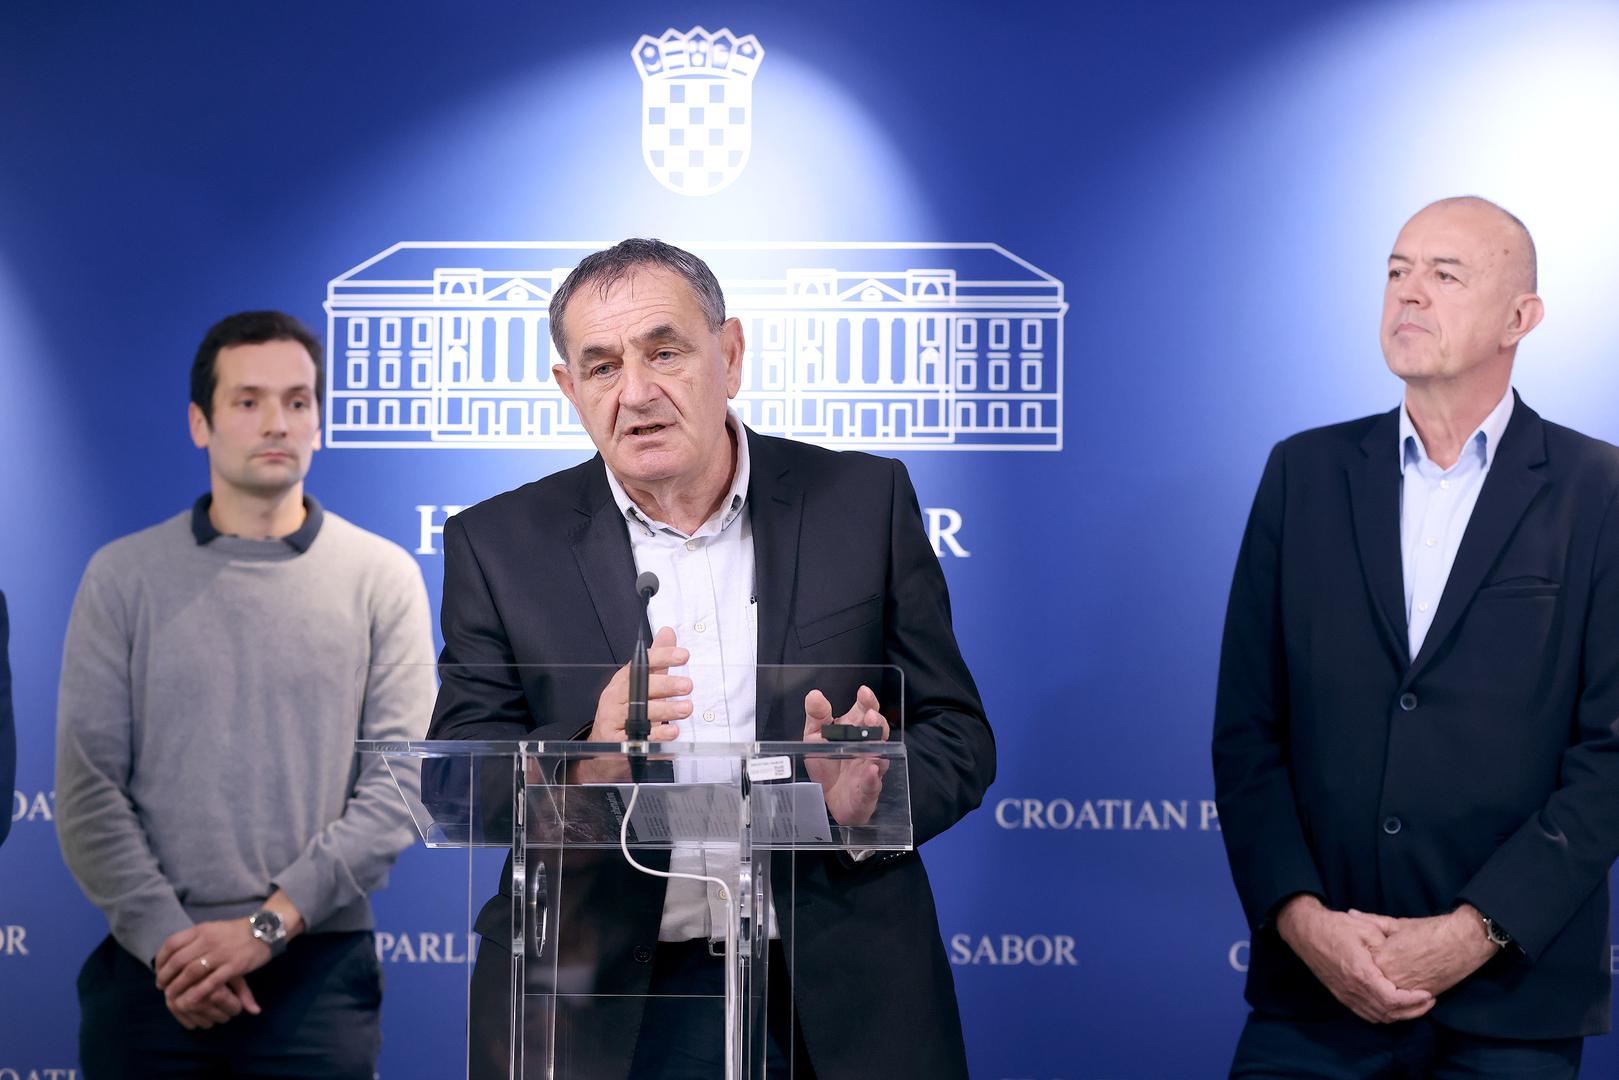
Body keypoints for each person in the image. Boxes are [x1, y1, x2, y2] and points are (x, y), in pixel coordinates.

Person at [428, 238, 994, 1079]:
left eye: (664, 352)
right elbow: (455, 783)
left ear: (728, 355)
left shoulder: (861, 503)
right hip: (596, 1005)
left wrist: (867, 800)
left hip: (834, 997)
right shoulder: (498, 543)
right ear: (569, 390)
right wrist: (591, 758)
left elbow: (956, 733)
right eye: (602, 366)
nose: (636, 392)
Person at [1213, 196, 1619, 1078]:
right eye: (1396, 271)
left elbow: (1611, 757)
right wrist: (1302, 920)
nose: (1408, 292)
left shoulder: (1598, 490)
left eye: (1444, 274)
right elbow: (1247, 731)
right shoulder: (1302, 474)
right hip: (1314, 991)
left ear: (1520, 318)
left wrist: (1474, 931)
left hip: (1512, 1001)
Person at [56, 310, 434, 1078]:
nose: (276, 422)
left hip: (317, 971)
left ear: (318, 422)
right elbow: (88, 788)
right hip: (154, 971)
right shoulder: (122, 577)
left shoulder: (382, 576)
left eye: (298, 401)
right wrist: (175, 945)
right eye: (248, 400)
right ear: (200, 422)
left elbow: (401, 785)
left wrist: (267, 928)